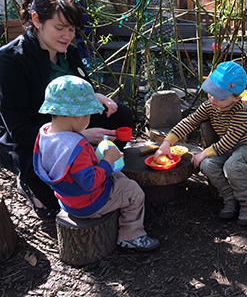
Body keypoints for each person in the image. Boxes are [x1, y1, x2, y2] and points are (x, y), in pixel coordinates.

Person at [0, 0, 133, 219]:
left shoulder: (68, 51)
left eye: (71, 29)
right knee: (57, 203)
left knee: (119, 115)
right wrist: (79, 138)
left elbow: (80, 91)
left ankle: (92, 169)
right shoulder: (10, 61)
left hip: (73, 127)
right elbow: (20, 131)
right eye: (60, 28)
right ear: (37, 20)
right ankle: (33, 185)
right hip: (36, 139)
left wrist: (95, 97)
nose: (67, 36)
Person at [33, 75, 159, 251]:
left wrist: (97, 157)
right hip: (88, 203)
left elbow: (67, 164)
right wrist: (107, 160)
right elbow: (90, 182)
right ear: (78, 116)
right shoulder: (77, 144)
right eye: (89, 115)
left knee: (118, 176)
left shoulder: (45, 133)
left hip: (66, 198)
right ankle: (132, 235)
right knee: (134, 192)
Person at [153, 61, 247, 226]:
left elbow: (229, 140)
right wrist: (167, 142)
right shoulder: (210, 106)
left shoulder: (241, 112)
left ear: (236, 98)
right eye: (210, 92)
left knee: (232, 166)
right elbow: (189, 122)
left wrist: (204, 152)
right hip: (226, 147)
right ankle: (229, 197)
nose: (212, 98)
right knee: (207, 165)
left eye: (219, 96)